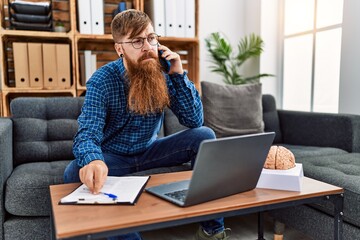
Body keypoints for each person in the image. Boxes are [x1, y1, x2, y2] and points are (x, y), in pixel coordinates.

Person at [64, 9, 231, 240]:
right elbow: (87, 132)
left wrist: (178, 75)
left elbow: (194, 120)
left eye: (152, 38)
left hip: (150, 151)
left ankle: (212, 232)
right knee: (73, 171)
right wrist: (93, 159)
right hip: (114, 158)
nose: (148, 47)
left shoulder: (162, 72)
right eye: (137, 41)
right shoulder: (102, 80)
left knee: (203, 135)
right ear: (119, 48)